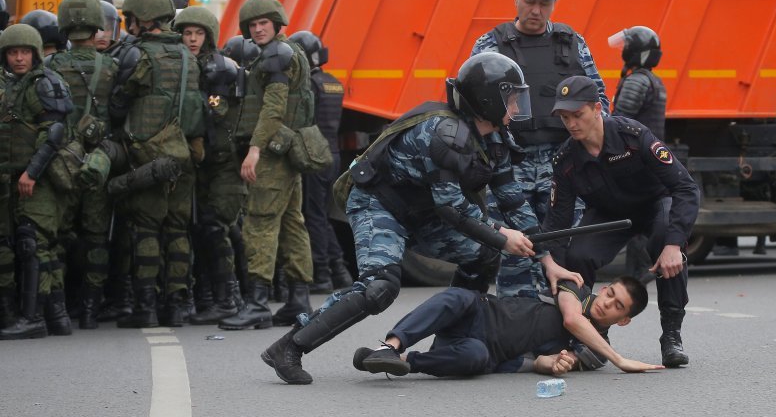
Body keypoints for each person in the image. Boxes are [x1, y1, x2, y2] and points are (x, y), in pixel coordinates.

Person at [262, 52, 582, 385]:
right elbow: (453, 209)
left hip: (423, 212)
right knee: (379, 287)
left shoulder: (495, 138)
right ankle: (289, 347)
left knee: (483, 256)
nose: (516, 108)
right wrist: (503, 236)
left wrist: (546, 259)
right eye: (512, 99)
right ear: (489, 100)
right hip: (380, 205)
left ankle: (454, 336)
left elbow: (511, 198)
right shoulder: (444, 135)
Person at [541, 75, 701, 368]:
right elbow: (557, 226)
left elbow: (686, 188)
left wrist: (674, 244)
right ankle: (589, 334)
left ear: (597, 108)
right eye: (565, 117)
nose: (572, 123)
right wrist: (555, 269)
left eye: (578, 114)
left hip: (654, 205)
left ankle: (671, 335)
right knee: (578, 254)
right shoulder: (566, 160)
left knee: (668, 240)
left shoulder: (633, 136)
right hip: (610, 214)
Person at [471, 0, 609, 299]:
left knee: (567, 252)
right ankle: (519, 334)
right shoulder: (490, 44)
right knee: (515, 254)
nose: (537, 11)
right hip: (509, 163)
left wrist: (585, 137)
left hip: (561, 164)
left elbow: (601, 100)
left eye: (545, 4)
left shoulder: (571, 42)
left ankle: (566, 336)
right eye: (531, 1)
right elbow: (472, 105)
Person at [109, 0, 206, 328]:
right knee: (178, 231)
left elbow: (118, 104)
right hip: (183, 155)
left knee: (146, 229)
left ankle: (145, 307)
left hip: (147, 156)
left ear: (142, 18)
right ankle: (176, 306)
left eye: (131, 17)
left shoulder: (137, 56)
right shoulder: (187, 56)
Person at [218, 0, 316, 331]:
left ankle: (258, 303)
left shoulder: (277, 55)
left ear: (276, 24)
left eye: (264, 23)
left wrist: (255, 149)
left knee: (259, 223)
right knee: (292, 223)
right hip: (289, 150)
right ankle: (298, 301)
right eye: (253, 25)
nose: (258, 29)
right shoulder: (291, 52)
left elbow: (273, 109)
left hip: (273, 155)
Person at [353, 276, 662, 378]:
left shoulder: (596, 355)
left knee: (474, 358)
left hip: (489, 352)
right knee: (458, 296)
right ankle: (389, 347)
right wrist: (621, 360)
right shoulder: (576, 287)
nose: (607, 302)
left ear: (624, 320)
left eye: (618, 306)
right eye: (610, 293)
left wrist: (550, 364)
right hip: (479, 313)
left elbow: (551, 363)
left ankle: (402, 361)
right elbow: (572, 319)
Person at [47, 0, 118, 330]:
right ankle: (90, 309)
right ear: (96, 26)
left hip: (62, 160)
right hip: (98, 161)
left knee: (59, 235)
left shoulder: (52, 66)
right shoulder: (112, 67)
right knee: (96, 236)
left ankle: (60, 306)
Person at [172, 6, 245, 325]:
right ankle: (212, 297)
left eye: (198, 33)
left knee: (218, 227)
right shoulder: (184, 66)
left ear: (209, 36)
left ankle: (229, 299)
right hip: (201, 163)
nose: (192, 39)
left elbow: (220, 118)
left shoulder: (221, 68)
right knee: (203, 228)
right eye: (187, 33)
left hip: (224, 162)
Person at [0, 24, 74, 339]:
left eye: (25, 52)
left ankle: (33, 319)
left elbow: (53, 133)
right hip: (11, 177)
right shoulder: (9, 86)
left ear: (35, 54)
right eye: (13, 53)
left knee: (34, 243)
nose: (19, 58)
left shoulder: (44, 84)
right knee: (36, 245)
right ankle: (57, 316)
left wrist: (32, 172)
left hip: (37, 178)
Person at [288, 31, 353, 294]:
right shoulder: (333, 82)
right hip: (333, 155)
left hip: (314, 157)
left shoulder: (309, 85)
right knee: (323, 216)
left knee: (314, 216)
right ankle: (340, 271)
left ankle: (323, 274)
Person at [609, 26, 667, 281]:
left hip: (636, 161)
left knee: (635, 220)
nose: (623, 50)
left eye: (627, 46)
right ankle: (638, 273)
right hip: (650, 162)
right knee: (641, 219)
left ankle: (639, 274)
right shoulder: (652, 80)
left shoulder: (636, 81)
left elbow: (618, 123)